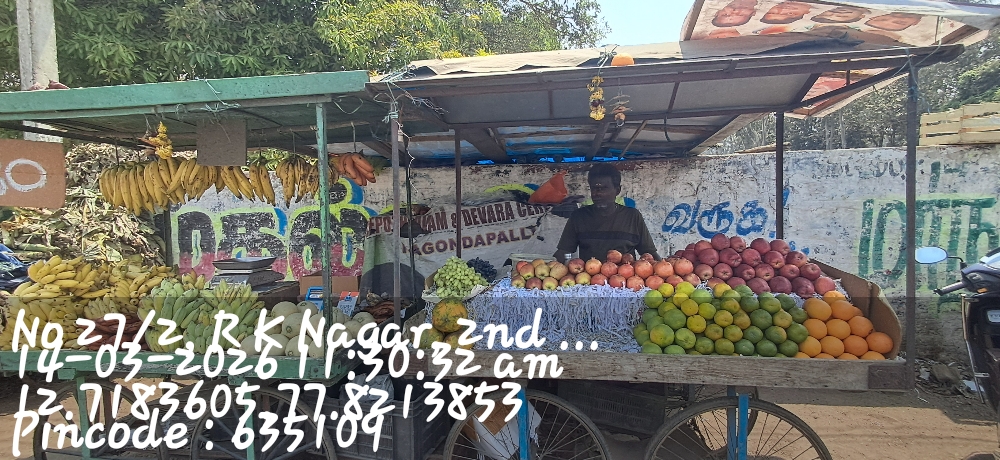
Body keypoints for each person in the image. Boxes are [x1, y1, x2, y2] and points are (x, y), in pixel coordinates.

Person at [554, 164, 659, 263]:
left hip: (625, 275)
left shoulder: (632, 217)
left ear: (617, 190)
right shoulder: (578, 217)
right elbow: (563, 252)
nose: (597, 193)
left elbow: (650, 254)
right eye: (594, 188)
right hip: (589, 275)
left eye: (603, 189)